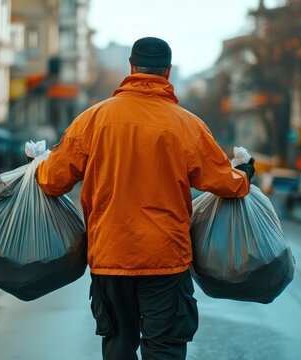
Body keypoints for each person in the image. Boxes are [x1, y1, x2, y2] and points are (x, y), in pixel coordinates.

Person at [35, 37, 255, 360]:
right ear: (166, 72)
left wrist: (36, 168)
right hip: (166, 260)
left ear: (131, 68)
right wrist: (245, 174)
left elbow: (52, 181)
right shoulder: (187, 126)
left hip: (110, 258)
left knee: (119, 347)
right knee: (165, 348)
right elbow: (226, 183)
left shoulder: (93, 121)